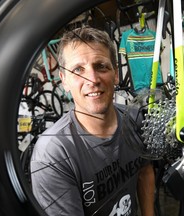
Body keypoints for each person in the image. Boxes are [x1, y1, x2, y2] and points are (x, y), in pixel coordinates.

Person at [30, 27, 155, 216]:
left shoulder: (135, 118)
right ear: (64, 81)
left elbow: (145, 171)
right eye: (78, 69)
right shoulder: (52, 154)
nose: (93, 79)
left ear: (115, 74)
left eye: (101, 66)